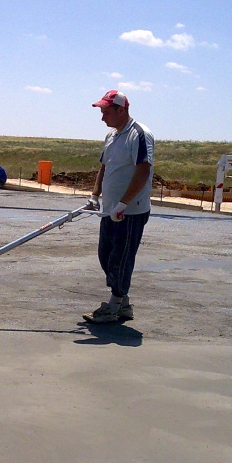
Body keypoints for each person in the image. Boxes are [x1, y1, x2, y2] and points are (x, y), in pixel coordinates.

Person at [82, 89, 154, 324]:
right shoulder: (112, 136)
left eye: (106, 112)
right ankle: (123, 304)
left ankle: (114, 306)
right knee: (105, 255)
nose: (102, 118)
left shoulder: (139, 134)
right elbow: (104, 167)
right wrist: (95, 195)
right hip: (110, 209)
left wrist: (124, 203)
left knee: (121, 259)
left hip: (130, 211)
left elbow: (143, 170)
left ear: (121, 110)